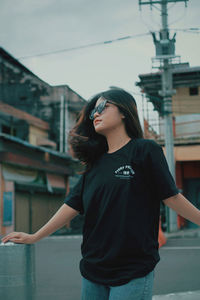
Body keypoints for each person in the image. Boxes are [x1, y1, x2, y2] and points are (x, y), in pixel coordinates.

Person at [2, 88, 200, 300]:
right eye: (93, 111)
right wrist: (35, 236)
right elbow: (72, 205)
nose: (95, 114)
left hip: (132, 271)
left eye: (102, 107)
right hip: (92, 271)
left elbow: (171, 196)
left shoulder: (144, 150)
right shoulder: (95, 163)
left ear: (124, 111)